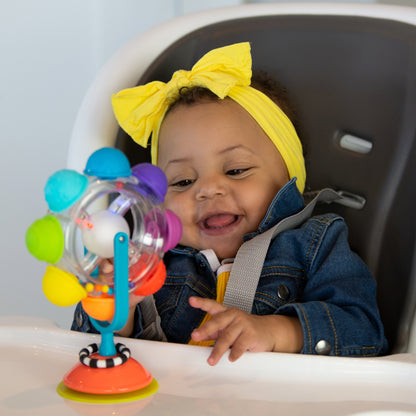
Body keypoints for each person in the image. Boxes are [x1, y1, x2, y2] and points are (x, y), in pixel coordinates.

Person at [72, 42, 388, 365]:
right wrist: (116, 305)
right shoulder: (147, 258)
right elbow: (83, 354)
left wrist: (277, 332)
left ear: (289, 178)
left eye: (236, 170)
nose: (208, 190)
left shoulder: (316, 244)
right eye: (182, 181)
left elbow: (366, 333)